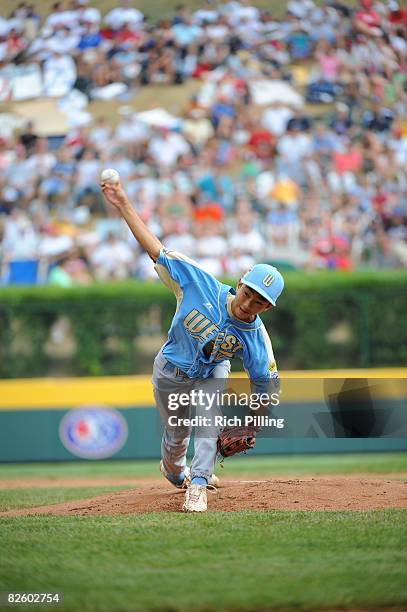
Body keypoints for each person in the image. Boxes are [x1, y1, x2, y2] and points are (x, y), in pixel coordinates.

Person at [100, 179, 284, 513]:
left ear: (267, 308)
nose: (249, 304)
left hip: (212, 370)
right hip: (171, 370)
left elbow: (266, 386)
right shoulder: (199, 283)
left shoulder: (256, 336)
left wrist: (251, 425)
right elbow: (154, 248)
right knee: (176, 437)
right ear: (239, 283)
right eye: (248, 293)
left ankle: (198, 484)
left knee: (209, 420)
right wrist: (124, 204)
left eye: (260, 302)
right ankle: (175, 473)